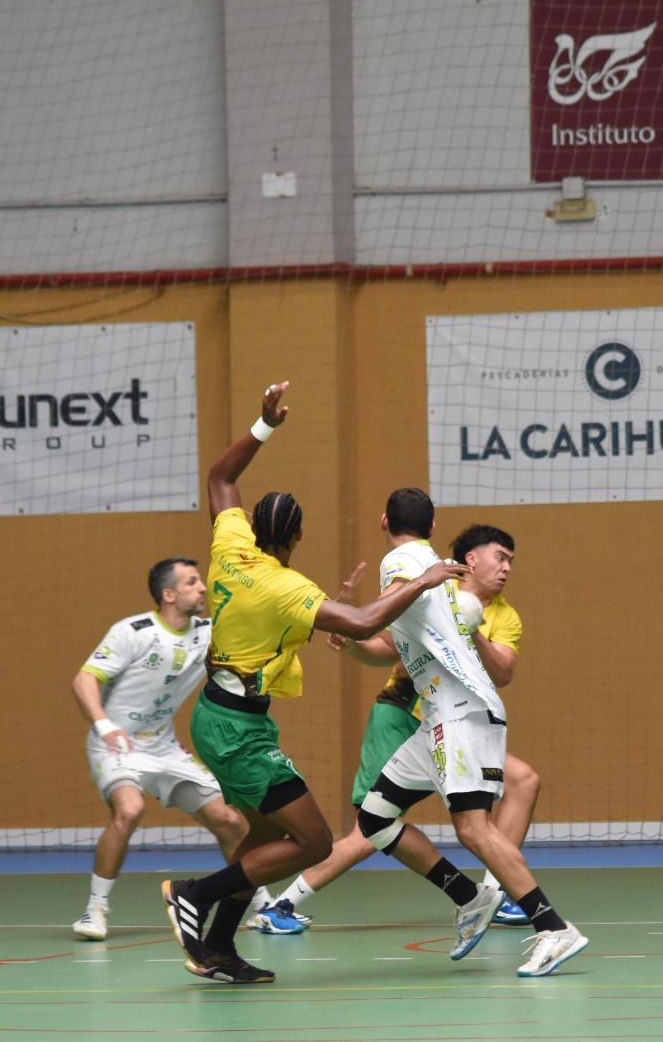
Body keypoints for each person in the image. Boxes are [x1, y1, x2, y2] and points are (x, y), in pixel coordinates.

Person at [159, 382, 467, 985]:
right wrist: (423, 580)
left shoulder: (229, 545)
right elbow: (364, 622)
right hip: (237, 730)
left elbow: (220, 476)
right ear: (297, 538)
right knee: (314, 842)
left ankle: (217, 947)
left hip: (219, 716)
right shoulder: (287, 588)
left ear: (251, 524)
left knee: (264, 836)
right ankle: (194, 893)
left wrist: (264, 425)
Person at [339, 488, 588, 977]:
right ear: (434, 528)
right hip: (437, 717)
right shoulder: (436, 574)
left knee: (473, 828)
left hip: (462, 714)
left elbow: (375, 617)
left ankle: (553, 928)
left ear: (384, 520)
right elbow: (385, 643)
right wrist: (351, 636)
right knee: (374, 818)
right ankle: (470, 897)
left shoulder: (403, 562)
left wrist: (348, 616)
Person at [250, 524, 542, 933]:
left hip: (457, 725)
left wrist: (471, 630)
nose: (507, 567)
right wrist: (352, 641)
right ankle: (281, 905)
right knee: (371, 828)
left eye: (511, 560)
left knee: (523, 781)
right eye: (500, 557)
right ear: (471, 560)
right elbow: (386, 648)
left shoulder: (504, 615)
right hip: (403, 716)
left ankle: (495, 892)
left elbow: (504, 672)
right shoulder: (434, 589)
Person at [70, 557, 259, 941]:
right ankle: (95, 911)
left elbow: (261, 623)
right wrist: (104, 725)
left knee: (231, 821)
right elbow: (84, 679)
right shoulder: (132, 632)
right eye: (192, 582)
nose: (202, 588)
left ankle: (262, 908)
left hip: (165, 748)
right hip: (117, 746)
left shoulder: (208, 633)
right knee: (130, 810)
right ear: (169, 595)